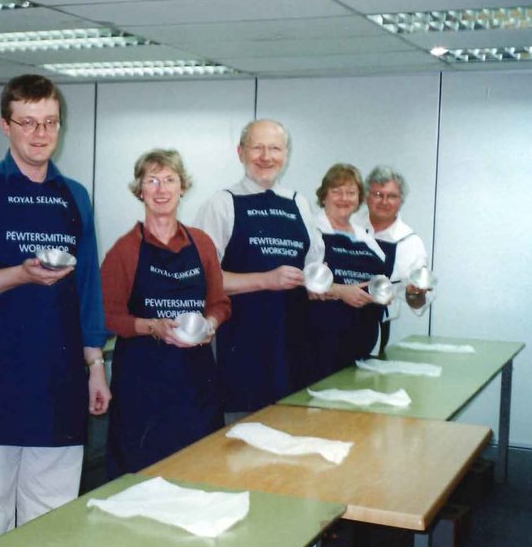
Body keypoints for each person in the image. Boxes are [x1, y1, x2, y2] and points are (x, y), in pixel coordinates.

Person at [0, 74, 110, 547]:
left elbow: (88, 287)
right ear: (5, 125)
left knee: (53, 520)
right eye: (28, 122)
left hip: (59, 378)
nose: (40, 133)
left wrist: (96, 365)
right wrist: (19, 273)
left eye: (49, 122)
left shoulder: (74, 196)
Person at [101, 149, 230, 477]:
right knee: (139, 481)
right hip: (143, 386)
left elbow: (220, 303)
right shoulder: (124, 250)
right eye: (152, 181)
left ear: (182, 187)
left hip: (196, 383)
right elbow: (107, 315)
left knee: (199, 473)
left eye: (170, 180)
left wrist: (210, 324)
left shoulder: (201, 244)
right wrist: (151, 326)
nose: (161, 189)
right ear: (140, 190)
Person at [195, 119, 325, 421]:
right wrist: (266, 280)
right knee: (240, 455)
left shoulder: (300, 205)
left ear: (286, 154)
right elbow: (203, 280)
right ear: (241, 152)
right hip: (240, 356)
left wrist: (323, 285)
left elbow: (314, 270)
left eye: (275, 148)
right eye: (257, 147)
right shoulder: (222, 204)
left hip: (294, 355)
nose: (266, 156)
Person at [305, 163, 391, 382]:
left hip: (362, 341)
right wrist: (340, 291)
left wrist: (385, 294)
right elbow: (301, 282)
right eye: (337, 191)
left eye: (351, 192)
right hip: (321, 344)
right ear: (324, 195)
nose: (344, 198)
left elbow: (382, 278)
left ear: (359, 198)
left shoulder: (365, 236)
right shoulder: (311, 230)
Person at [354, 165, 430, 353]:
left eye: (392, 196)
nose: (384, 201)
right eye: (378, 194)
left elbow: (419, 302)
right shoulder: (347, 226)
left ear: (401, 200)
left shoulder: (410, 242)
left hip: (370, 330)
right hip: (328, 321)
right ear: (366, 197)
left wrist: (416, 293)